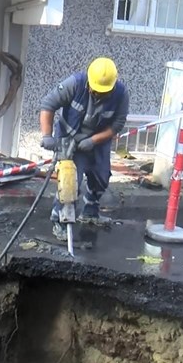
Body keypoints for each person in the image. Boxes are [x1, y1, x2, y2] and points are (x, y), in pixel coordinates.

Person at [38, 57, 130, 240]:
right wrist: (47, 135)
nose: (98, 94)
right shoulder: (75, 84)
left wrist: (94, 140)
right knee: (70, 181)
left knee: (101, 177)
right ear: (89, 81)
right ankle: (60, 221)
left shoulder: (120, 93)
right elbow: (48, 105)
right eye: (95, 91)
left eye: (103, 92)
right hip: (69, 138)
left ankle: (90, 212)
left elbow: (117, 124)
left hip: (97, 141)